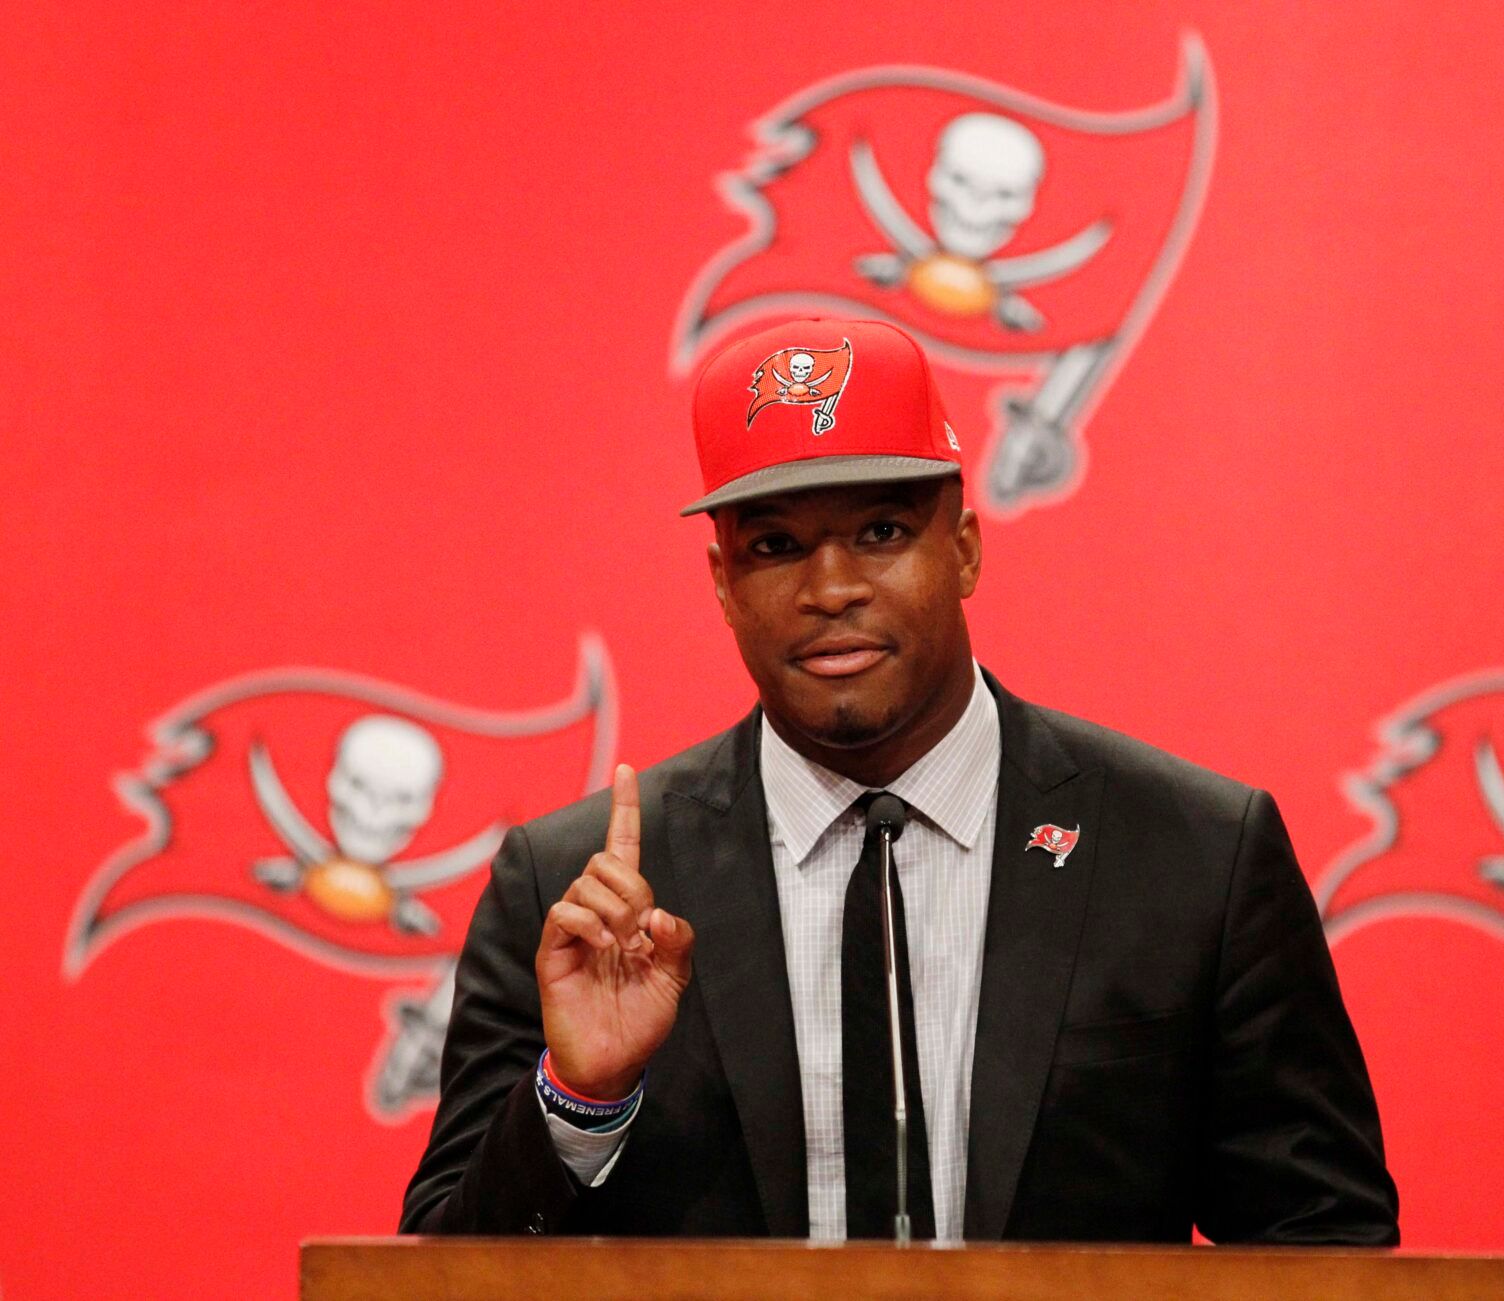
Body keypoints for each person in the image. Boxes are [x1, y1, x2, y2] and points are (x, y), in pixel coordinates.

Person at [400, 317, 1399, 1245]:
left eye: (881, 530)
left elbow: (1330, 1251)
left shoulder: (1193, 856)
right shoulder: (572, 889)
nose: (830, 586)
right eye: (776, 545)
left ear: (962, 549)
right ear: (721, 584)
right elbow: (432, 1283)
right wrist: (580, 1102)